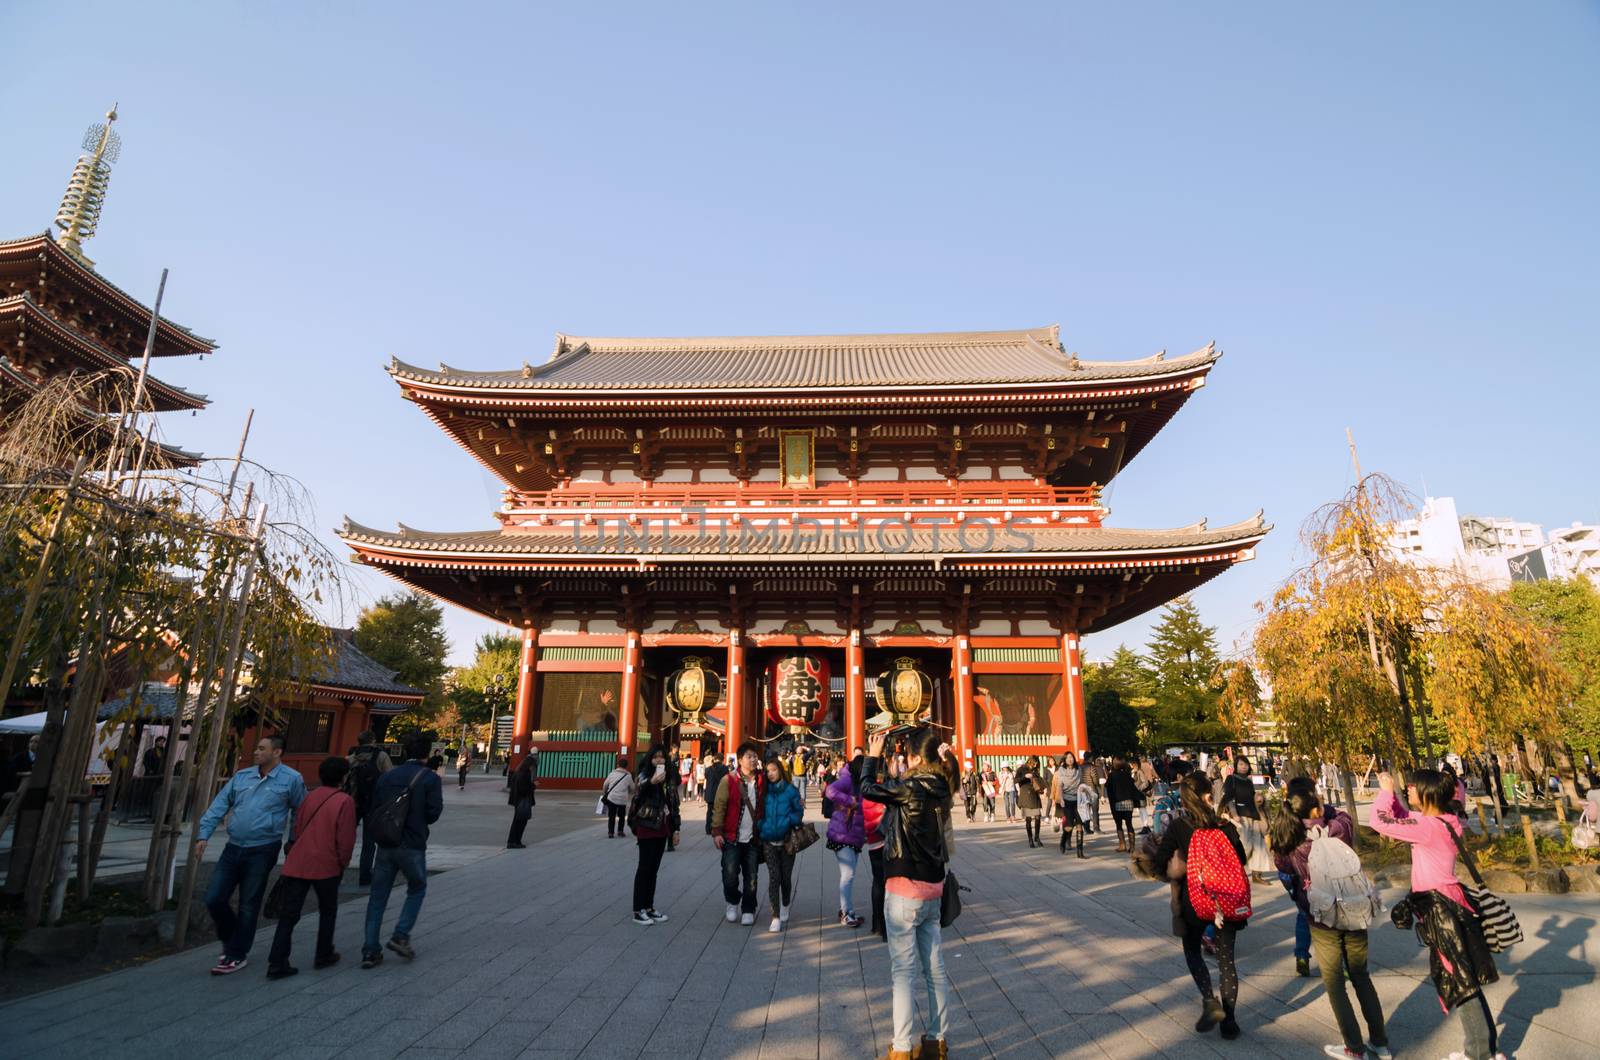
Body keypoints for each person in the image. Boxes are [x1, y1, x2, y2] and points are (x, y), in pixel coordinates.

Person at [1373, 769, 1499, 1060]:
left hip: (1440, 910)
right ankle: (1484, 1048)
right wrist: (1393, 797)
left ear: (1429, 794)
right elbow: (1404, 818)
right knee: (1464, 974)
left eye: (1414, 788)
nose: (1409, 792)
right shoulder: (1445, 819)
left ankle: (1479, 1054)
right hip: (1451, 903)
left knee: (1460, 979)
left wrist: (1384, 792)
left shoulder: (1427, 826)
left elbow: (1380, 821)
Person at [1269, 783, 1390, 1060]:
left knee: (1335, 983)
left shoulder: (1292, 841)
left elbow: (1283, 867)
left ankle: (1354, 1048)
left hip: (1321, 918)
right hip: (1355, 911)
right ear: (1319, 807)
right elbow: (1345, 816)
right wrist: (1326, 811)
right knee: (1361, 976)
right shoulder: (1339, 828)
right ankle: (1380, 1043)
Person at [861, 728, 951, 1060]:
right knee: (935, 967)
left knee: (903, 971)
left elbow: (867, 789)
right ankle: (936, 1042)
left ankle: (901, 1047)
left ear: (913, 757)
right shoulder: (942, 787)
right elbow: (948, 772)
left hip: (904, 889)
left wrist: (873, 755)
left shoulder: (908, 788)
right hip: (934, 888)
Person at [196, 735, 306, 976]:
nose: (256, 752)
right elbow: (219, 804)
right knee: (214, 897)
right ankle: (231, 937)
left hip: (264, 846)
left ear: (277, 752)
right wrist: (203, 834)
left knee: (249, 902)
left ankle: (236, 953)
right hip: (233, 845)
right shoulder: (242, 776)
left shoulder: (291, 779)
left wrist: (293, 841)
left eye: (261, 748)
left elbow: (300, 810)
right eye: (256, 748)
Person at [1152, 772, 1249, 1041]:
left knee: (1193, 952)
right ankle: (1229, 1022)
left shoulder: (1178, 826)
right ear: (1208, 795)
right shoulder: (1223, 825)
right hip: (1225, 900)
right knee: (1226, 961)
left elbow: (1160, 863)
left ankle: (1210, 1001)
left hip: (1193, 900)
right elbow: (1240, 859)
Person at [266, 756, 357, 980]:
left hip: (299, 860)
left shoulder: (309, 796)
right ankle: (323, 952)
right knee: (327, 910)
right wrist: (343, 862)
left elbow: (297, 825)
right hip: (325, 863)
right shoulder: (344, 801)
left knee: (289, 914)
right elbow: (345, 838)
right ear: (344, 777)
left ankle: (277, 961)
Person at [360, 734, 444, 969]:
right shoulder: (429, 778)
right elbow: (433, 813)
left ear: (404, 752)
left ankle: (370, 950)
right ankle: (401, 934)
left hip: (386, 843)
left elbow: (375, 806)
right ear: (427, 753)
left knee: (377, 897)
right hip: (412, 843)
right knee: (417, 888)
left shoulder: (388, 777)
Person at [711, 741, 765, 925]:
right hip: (731, 836)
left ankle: (749, 908)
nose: (753, 759)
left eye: (755, 756)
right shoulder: (729, 780)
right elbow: (719, 806)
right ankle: (732, 901)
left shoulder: (762, 779)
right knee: (730, 874)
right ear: (740, 760)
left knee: (752, 876)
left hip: (753, 838)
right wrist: (717, 831)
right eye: (749, 756)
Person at [629, 744, 680, 926]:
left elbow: (673, 803)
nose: (659, 760)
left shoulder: (668, 779)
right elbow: (637, 791)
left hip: (662, 826)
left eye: (662, 757)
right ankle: (638, 909)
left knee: (654, 870)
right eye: (655, 757)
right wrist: (652, 781)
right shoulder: (644, 775)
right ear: (650, 759)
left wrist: (676, 828)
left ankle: (649, 907)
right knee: (644, 868)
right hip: (647, 825)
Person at [758, 754, 805, 933]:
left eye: (774, 770)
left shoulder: (791, 790)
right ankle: (775, 916)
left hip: (787, 841)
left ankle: (785, 903)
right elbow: (758, 812)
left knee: (785, 878)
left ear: (780, 770)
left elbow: (799, 811)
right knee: (774, 878)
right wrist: (761, 826)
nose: (770, 774)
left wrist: (788, 820)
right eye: (767, 771)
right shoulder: (763, 791)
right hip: (769, 840)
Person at [346, 732, 392, 886]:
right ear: (373, 741)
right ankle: (365, 876)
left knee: (345, 839)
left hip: (352, 802)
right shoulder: (381, 756)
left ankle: (338, 872)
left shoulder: (351, 757)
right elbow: (389, 778)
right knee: (369, 842)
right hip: (373, 803)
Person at [826, 756, 867, 928]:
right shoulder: (847, 779)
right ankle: (845, 912)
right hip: (843, 834)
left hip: (854, 835)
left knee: (849, 875)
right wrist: (851, 801)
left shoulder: (862, 782)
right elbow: (830, 791)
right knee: (847, 875)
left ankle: (848, 910)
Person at [1222, 756, 1275, 881]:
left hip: (1253, 814)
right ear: (1236, 766)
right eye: (1240, 764)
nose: (1243, 766)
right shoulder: (1231, 779)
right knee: (1245, 846)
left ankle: (1257, 875)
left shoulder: (1248, 781)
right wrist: (1234, 814)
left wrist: (1259, 799)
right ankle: (1236, 872)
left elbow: (1251, 796)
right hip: (1241, 816)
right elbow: (1229, 798)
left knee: (1259, 846)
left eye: (1245, 764)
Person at [1105, 756, 1141, 853]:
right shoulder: (1127, 775)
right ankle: (1132, 846)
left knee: (1119, 825)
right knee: (1129, 824)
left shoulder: (1112, 775)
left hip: (1117, 802)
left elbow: (1109, 789)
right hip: (1128, 802)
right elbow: (1133, 788)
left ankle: (1122, 845)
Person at [1053, 753, 1086, 857]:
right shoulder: (1061, 771)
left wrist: (1084, 790)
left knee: (1080, 825)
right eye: (1068, 758)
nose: (1070, 759)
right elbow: (1059, 786)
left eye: (1072, 757)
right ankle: (1063, 841)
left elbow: (1082, 783)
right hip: (1066, 800)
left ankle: (1080, 852)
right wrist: (1061, 799)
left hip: (1078, 800)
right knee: (1069, 826)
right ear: (1065, 760)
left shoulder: (1079, 770)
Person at [599, 756, 635, 838]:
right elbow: (633, 788)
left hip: (612, 798)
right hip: (622, 799)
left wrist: (605, 793)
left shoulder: (612, 774)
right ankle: (620, 831)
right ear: (626, 766)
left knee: (611, 816)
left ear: (618, 765)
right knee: (622, 816)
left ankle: (610, 833)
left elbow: (605, 785)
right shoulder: (628, 776)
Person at [506, 754, 536, 848]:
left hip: (516, 800)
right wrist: (533, 785)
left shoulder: (517, 772)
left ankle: (514, 841)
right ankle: (514, 841)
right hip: (522, 800)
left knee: (517, 821)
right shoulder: (525, 774)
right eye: (532, 766)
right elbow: (524, 789)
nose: (532, 768)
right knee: (520, 822)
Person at [1015, 755, 1045, 847]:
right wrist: (1025, 776)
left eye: (1036, 763)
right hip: (1025, 795)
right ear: (1029, 761)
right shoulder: (1021, 769)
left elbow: (1039, 780)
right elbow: (1015, 780)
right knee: (1028, 819)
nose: (1035, 765)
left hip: (1034, 795)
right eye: (1034, 763)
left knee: (1038, 817)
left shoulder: (1035, 770)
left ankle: (1037, 836)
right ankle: (1030, 839)